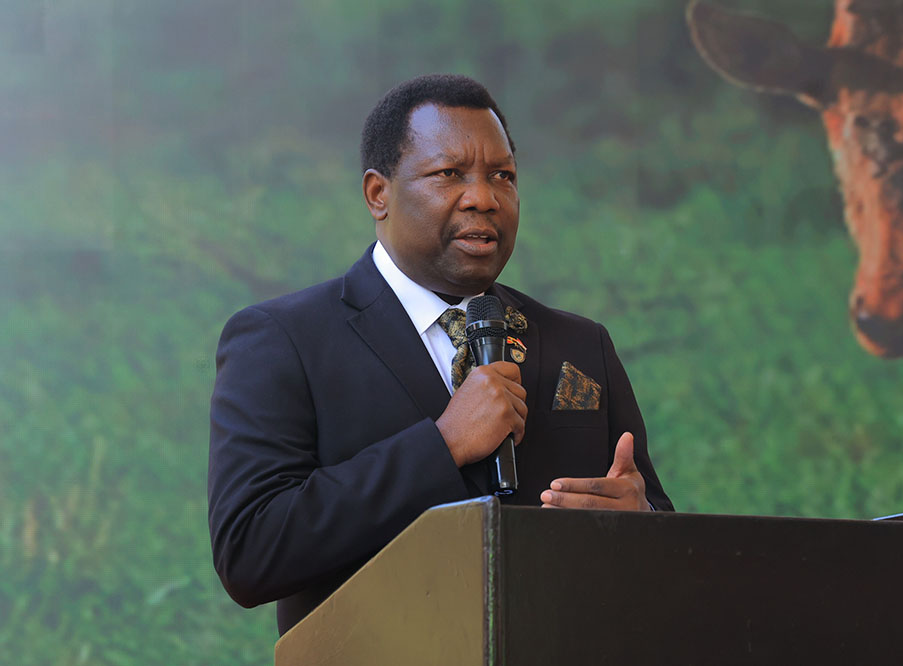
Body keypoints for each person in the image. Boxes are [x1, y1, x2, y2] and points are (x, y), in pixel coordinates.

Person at [208, 73, 673, 635]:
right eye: (449, 174)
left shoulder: (581, 344)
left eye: (502, 176)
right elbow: (251, 550)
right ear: (378, 194)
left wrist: (643, 523)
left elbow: (665, 538)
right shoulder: (283, 339)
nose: (484, 198)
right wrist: (444, 444)